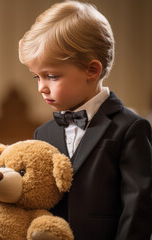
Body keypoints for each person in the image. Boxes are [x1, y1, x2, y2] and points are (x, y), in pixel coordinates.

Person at [18, 1, 151, 239]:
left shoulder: (131, 128)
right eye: (36, 77)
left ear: (92, 70)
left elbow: (138, 207)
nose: (41, 87)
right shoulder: (43, 134)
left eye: (51, 76)